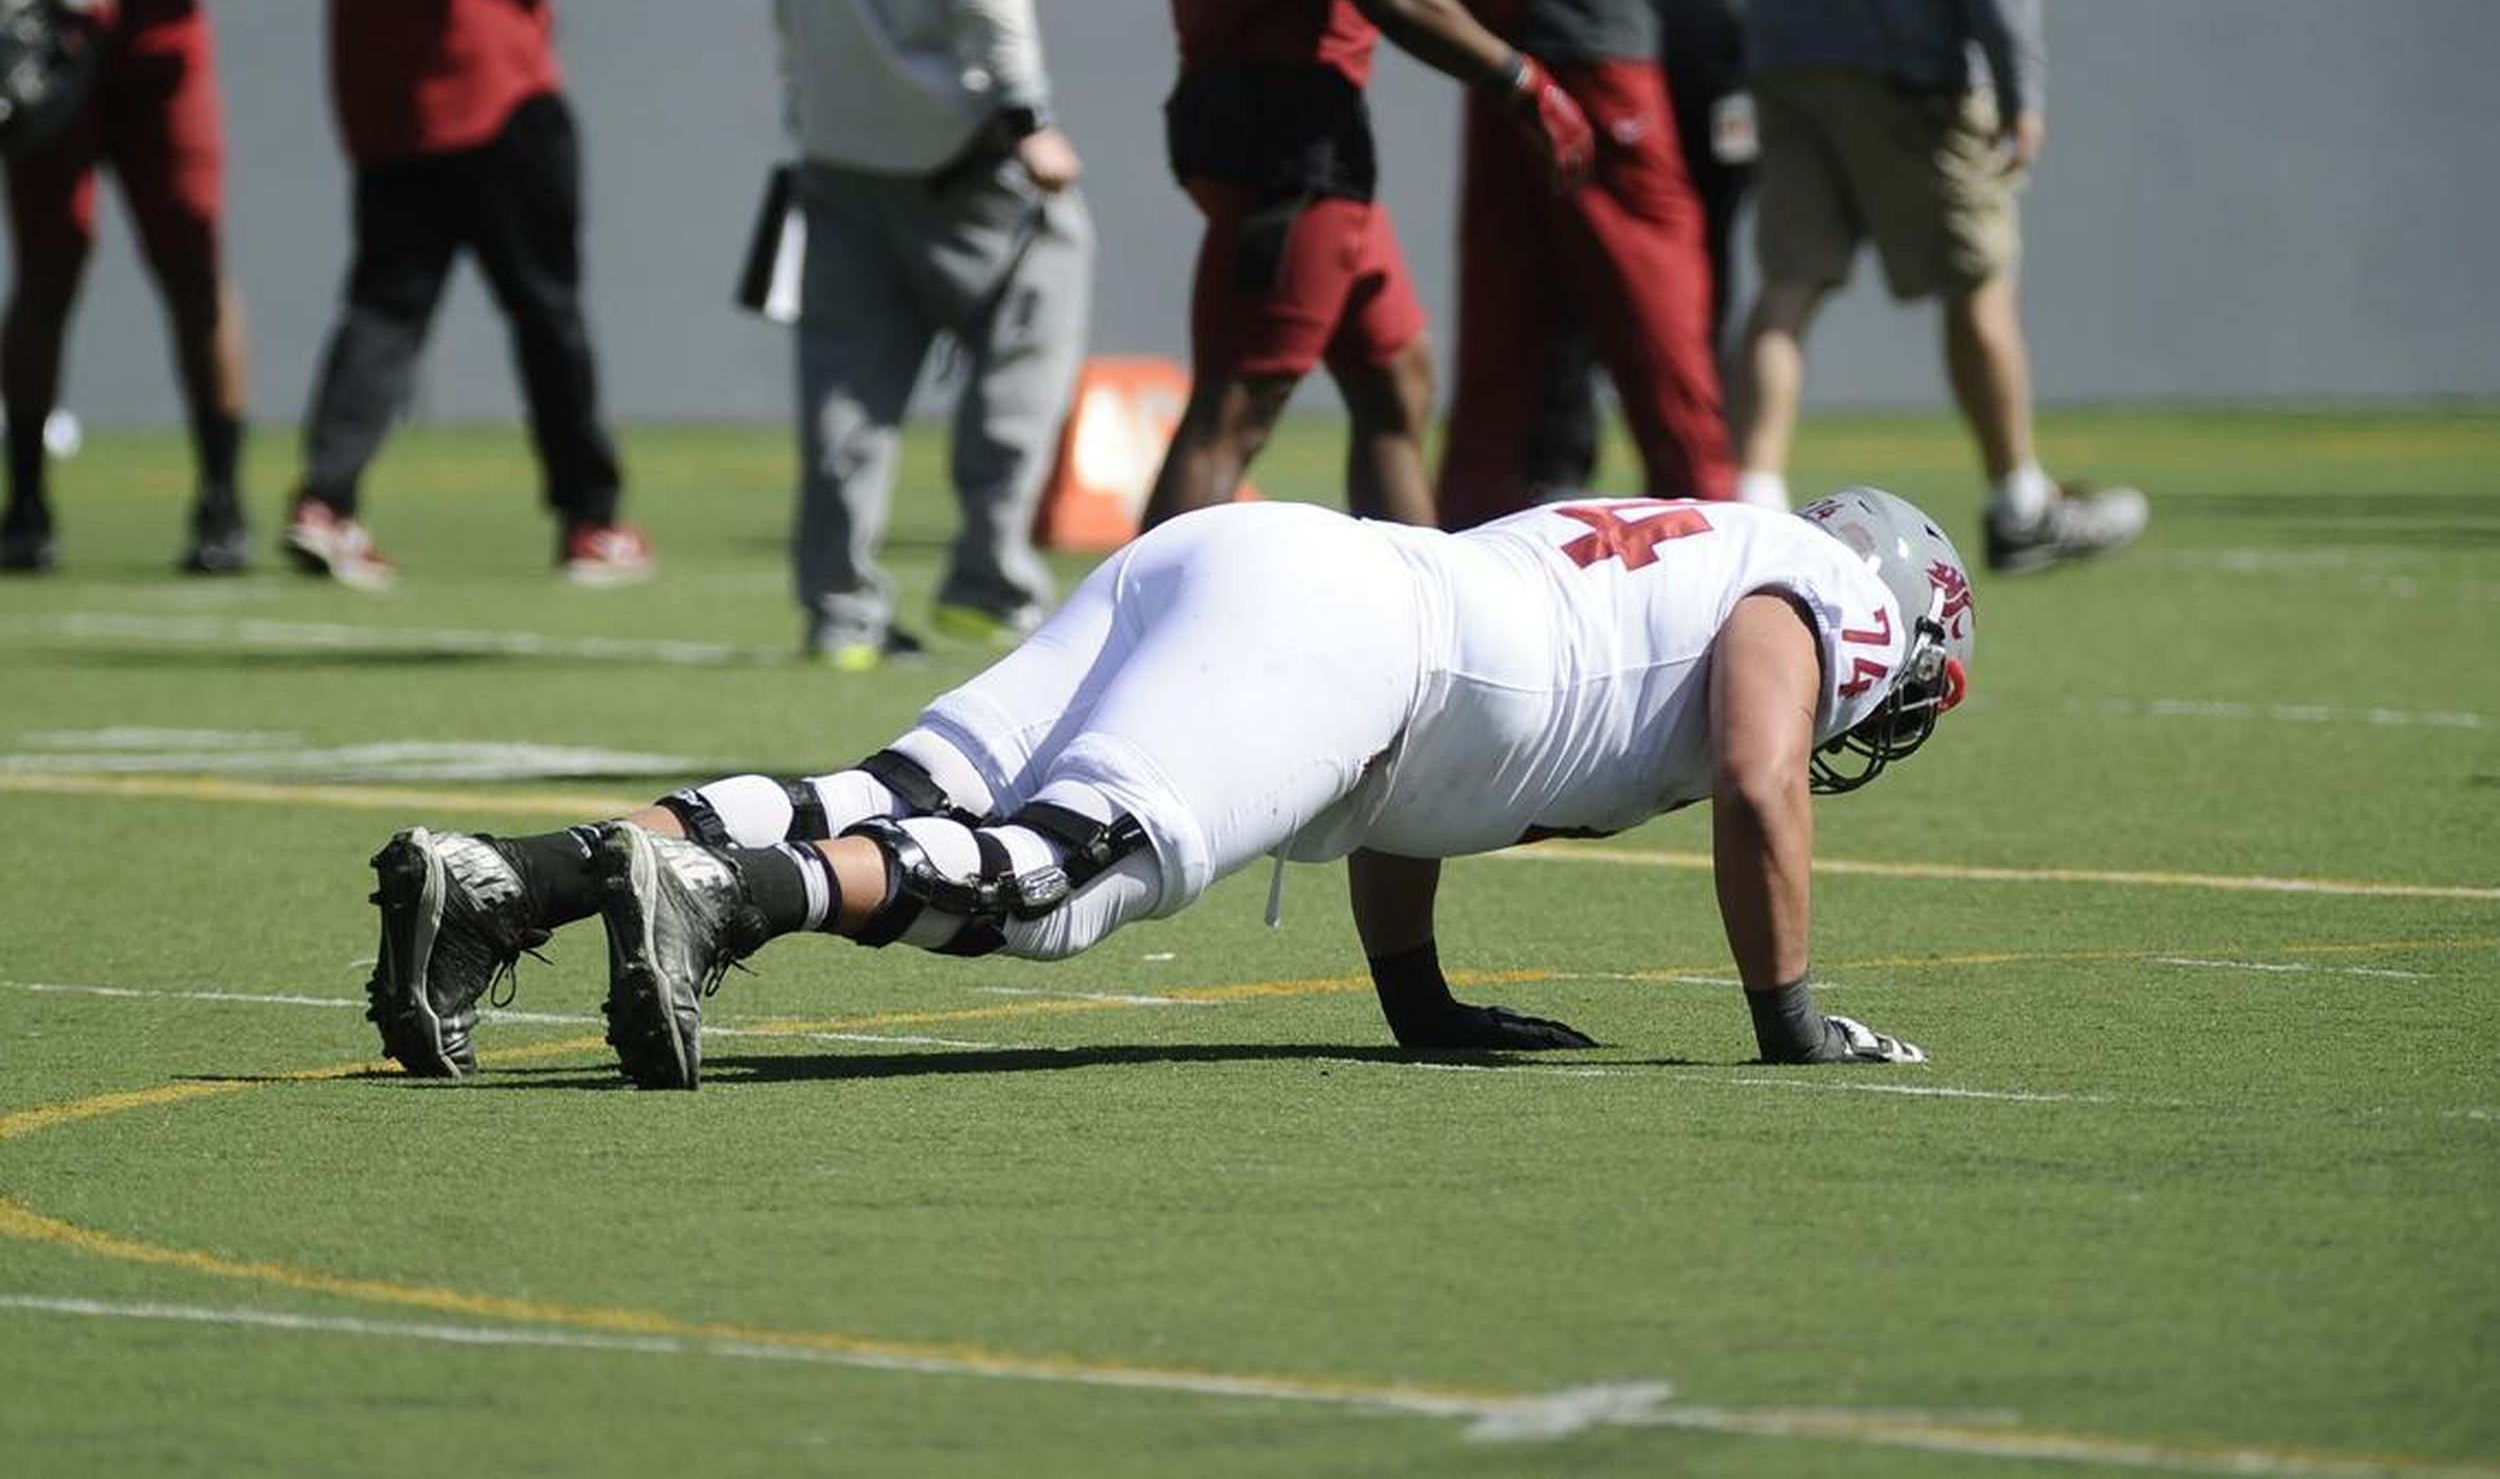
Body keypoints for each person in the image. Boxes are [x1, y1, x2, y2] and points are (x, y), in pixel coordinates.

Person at [357, 485, 1969, 1089]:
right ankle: (722, 905)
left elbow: (1412, 791)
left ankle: (502, 879)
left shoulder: (1708, 534)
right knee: (1056, 874)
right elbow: (1764, 772)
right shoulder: (1828, 590)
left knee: (895, 780)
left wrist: (1421, 997)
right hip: (1358, 634)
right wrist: (1791, 1017)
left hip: (1272, 563)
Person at [1139, 0, 1593, 530]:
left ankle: (1419, 611)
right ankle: (1129, 620)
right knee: (1232, 410)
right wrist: (1523, 82)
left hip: (1233, 97)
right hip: (1293, 133)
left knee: (1395, 378)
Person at [1732, 0, 2147, 570]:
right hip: (1908, 67)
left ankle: (1753, 510)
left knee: (1787, 289)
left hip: (1787, 62)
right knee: (1980, 285)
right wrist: (2020, 83)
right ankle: (2020, 505)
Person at [285, 0, 652, 591]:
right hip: (495, 86)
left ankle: (326, 502)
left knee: (383, 312)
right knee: (546, 314)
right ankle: (590, 522)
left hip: (389, 97)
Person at [772, 0, 1093, 669]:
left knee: (846, 385)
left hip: (838, 146)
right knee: (1029, 340)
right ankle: (989, 584)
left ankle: (839, 611)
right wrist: (1028, 114)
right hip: (966, 149)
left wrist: (806, 110)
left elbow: (790, 8)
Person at [1430, 0, 1737, 530]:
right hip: (1585, 43)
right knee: (1662, 322)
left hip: (1498, 48)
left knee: (1502, 327)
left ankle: (1462, 549)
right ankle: (1716, 544)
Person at [1, 0, 265, 576]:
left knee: (191, 257)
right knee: (48, 265)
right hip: (49, 33)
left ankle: (221, 498)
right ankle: (27, 505)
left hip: (160, 36)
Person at [1519, 0, 1754, 507]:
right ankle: (1565, 467)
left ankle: (1690, 478)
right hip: (1615, 32)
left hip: (1704, 29)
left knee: (1695, 272)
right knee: (1596, 257)